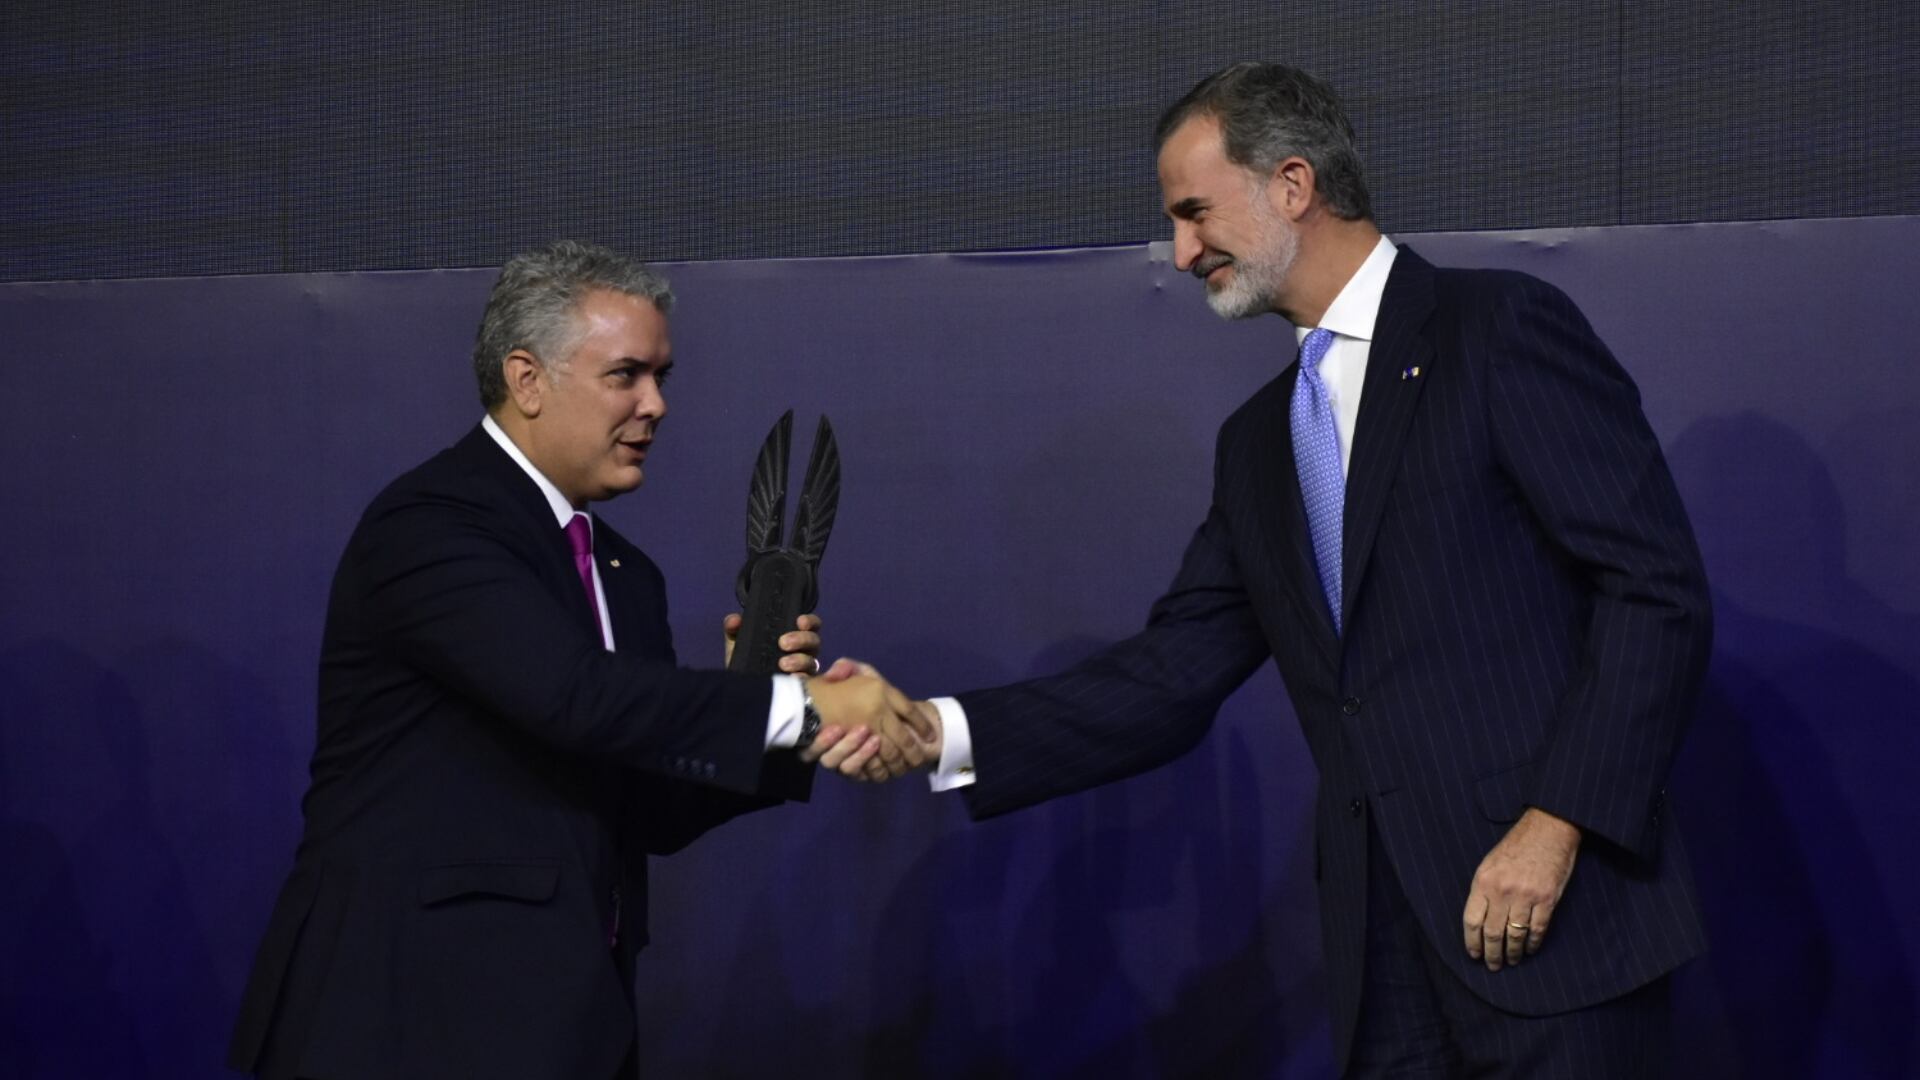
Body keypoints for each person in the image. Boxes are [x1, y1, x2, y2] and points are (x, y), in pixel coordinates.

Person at [827, 63, 1713, 1076]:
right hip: (1385, 958)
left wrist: (1557, 827)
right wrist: (931, 727)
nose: (1181, 249)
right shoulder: (1261, 445)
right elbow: (1170, 675)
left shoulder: (1496, 330)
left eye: (1196, 212)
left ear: (1293, 184)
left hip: (1553, 926)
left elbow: (1654, 592)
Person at [227, 240, 931, 1080]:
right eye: (626, 375)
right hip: (405, 1022)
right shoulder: (432, 525)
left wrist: (768, 707)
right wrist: (808, 709)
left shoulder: (627, 575)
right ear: (526, 380)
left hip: (568, 1028)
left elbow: (650, 806)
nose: (657, 405)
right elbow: (573, 696)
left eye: (662, 376)